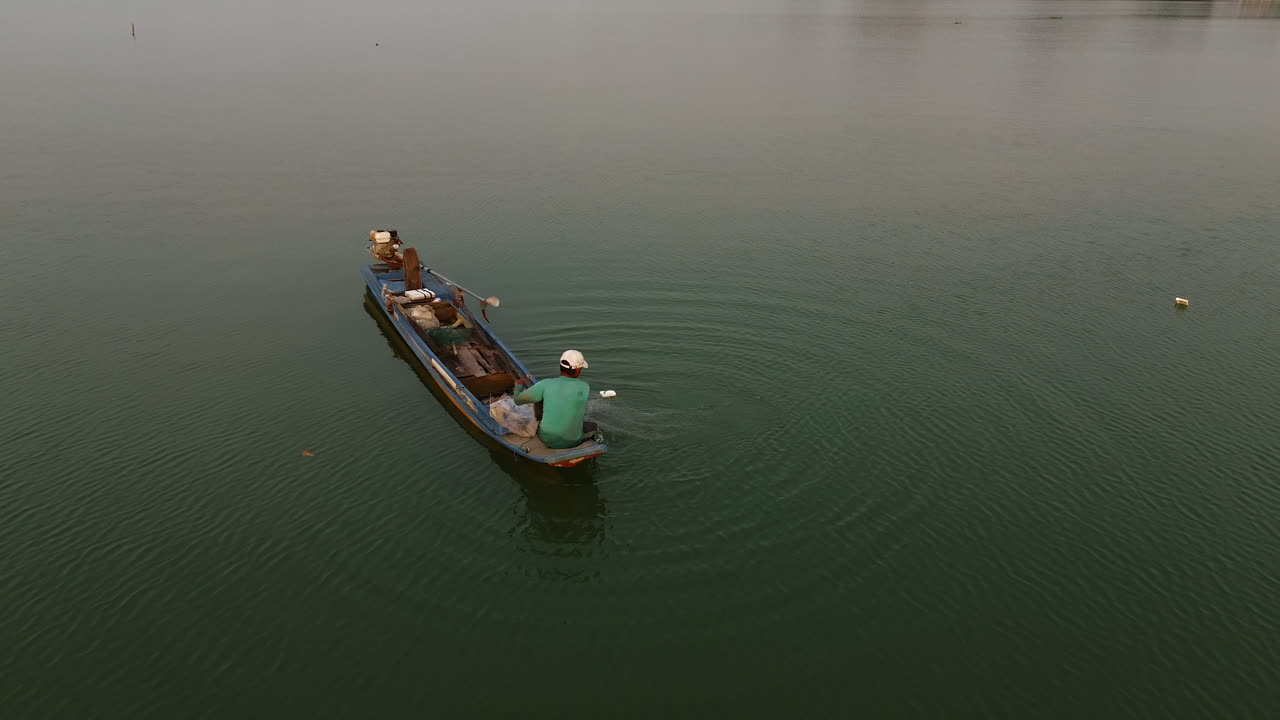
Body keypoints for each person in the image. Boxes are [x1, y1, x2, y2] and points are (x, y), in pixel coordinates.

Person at [513, 350, 598, 448]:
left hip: (547, 439)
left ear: (561, 366)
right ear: (578, 369)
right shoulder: (584, 387)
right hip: (573, 441)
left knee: (540, 400)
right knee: (593, 426)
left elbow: (517, 400)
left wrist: (518, 386)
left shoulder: (545, 384)